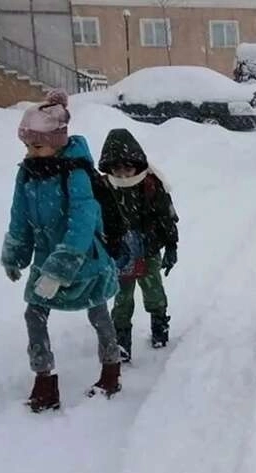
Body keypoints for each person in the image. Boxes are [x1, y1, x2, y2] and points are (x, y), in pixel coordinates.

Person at [1, 90, 122, 413]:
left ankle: (111, 371)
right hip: (46, 259)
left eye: (37, 146)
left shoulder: (76, 173)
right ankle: (44, 382)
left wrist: (61, 268)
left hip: (84, 260)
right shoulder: (27, 172)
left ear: (57, 142)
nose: (30, 152)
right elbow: (19, 216)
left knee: (98, 311)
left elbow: (83, 221)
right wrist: (14, 254)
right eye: (27, 146)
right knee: (34, 314)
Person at [97, 128, 179, 362]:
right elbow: (94, 218)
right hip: (118, 252)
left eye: (128, 168)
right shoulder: (103, 187)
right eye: (117, 169)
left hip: (148, 249)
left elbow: (166, 217)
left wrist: (171, 246)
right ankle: (122, 341)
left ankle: (159, 326)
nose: (123, 174)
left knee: (153, 290)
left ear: (137, 165)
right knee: (122, 297)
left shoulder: (151, 185)